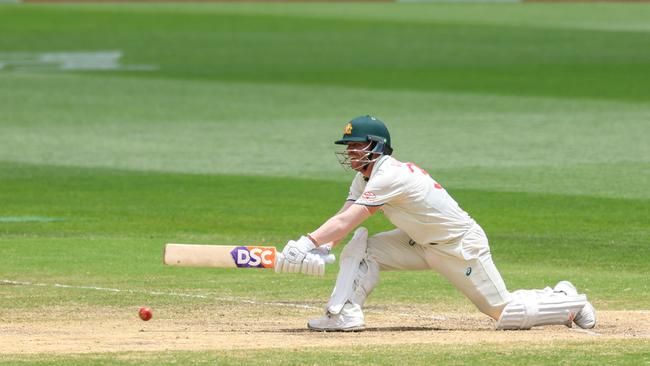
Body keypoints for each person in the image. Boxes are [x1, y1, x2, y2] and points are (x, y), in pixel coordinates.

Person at [275, 115, 596, 331]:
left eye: (357, 145)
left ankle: (569, 299)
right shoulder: (366, 178)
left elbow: (350, 218)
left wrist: (306, 243)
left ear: (376, 146)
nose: (352, 152)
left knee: (505, 314)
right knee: (362, 248)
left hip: (458, 247)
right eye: (350, 147)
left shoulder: (390, 175)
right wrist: (320, 248)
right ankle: (344, 313)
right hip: (418, 243)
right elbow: (342, 217)